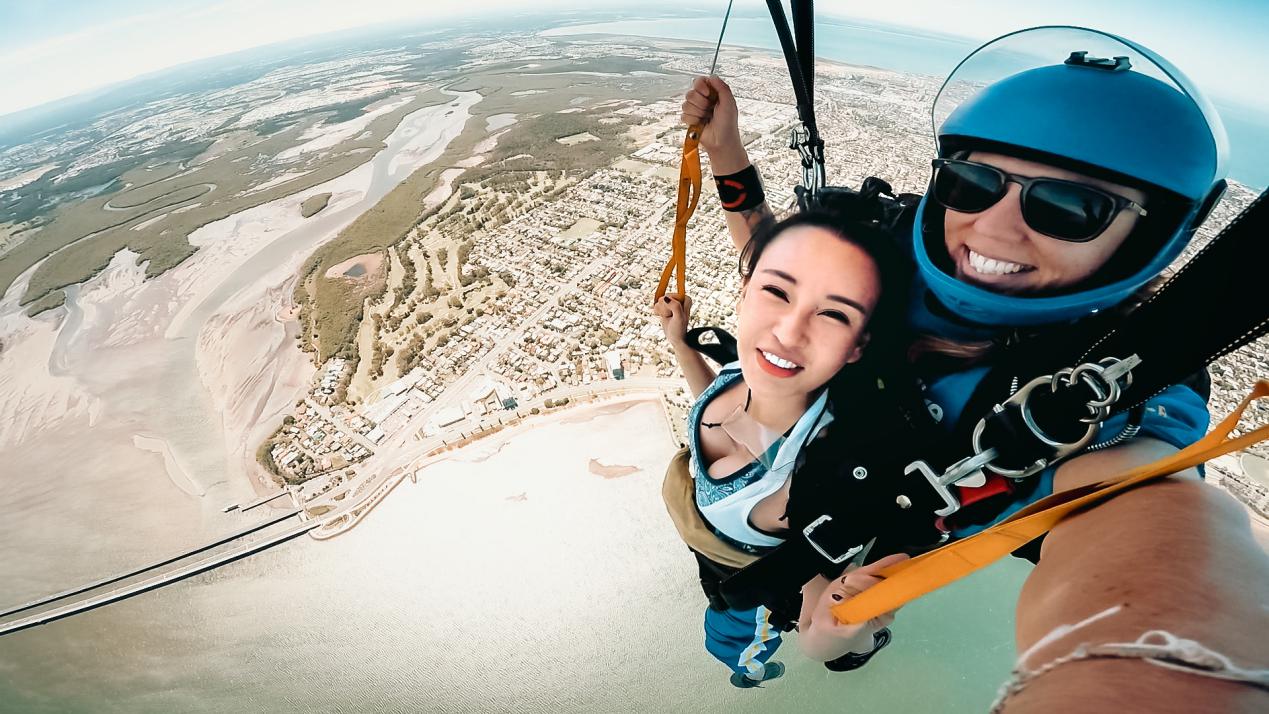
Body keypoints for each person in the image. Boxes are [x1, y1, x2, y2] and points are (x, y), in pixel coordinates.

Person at [679, 28, 1269, 710]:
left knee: (759, 629)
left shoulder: (1114, 384)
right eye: (971, 183)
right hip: (764, 502)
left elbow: (1145, 521)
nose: (992, 229)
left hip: (814, 556)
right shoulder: (887, 247)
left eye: (1068, 208)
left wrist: (1144, 667)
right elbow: (774, 264)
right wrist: (725, 149)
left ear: (1152, 232)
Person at [654, 210, 910, 687]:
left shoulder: (809, 474)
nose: (789, 333)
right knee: (719, 607)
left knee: (731, 637)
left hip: (747, 564)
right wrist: (682, 343)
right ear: (745, 293)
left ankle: (753, 672)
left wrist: (839, 629)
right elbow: (711, 405)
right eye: (776, 292)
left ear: (858, 347)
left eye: (834, 314)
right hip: (706, 534)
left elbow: (812, 607)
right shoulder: (745, 373)